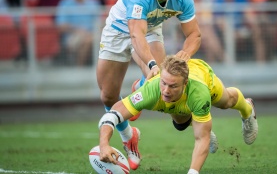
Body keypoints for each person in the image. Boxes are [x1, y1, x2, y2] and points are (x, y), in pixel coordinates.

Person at [98, 55, 259, 173]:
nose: (166, 91)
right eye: (164, 83)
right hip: (181, 103)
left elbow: (202, 138)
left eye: (173, 86)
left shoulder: (199, 93)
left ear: (185, 84)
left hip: (203, 76)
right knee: (180, 124)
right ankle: (197, 123)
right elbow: (112, 115)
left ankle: (247, 109)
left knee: (227, 102)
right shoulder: (151, 90)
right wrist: (104, 144)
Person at [97, 0, 201, 135]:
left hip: (150, 29)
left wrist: (186, 53)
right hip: (117, 31)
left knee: (160, 80)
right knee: (108, 96)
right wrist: (151, 64)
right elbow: (136, 35)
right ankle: (129, 137)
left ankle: (141, 87)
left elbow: (194, 34)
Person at [55, 0, 100, 66]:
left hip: (92, 34)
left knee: (94, 39)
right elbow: (61, 26)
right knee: (87, 40)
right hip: (72, 35)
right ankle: (80, 67)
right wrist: (78, 30)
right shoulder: (64, 4)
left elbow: (98, 22)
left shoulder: (92, 4)